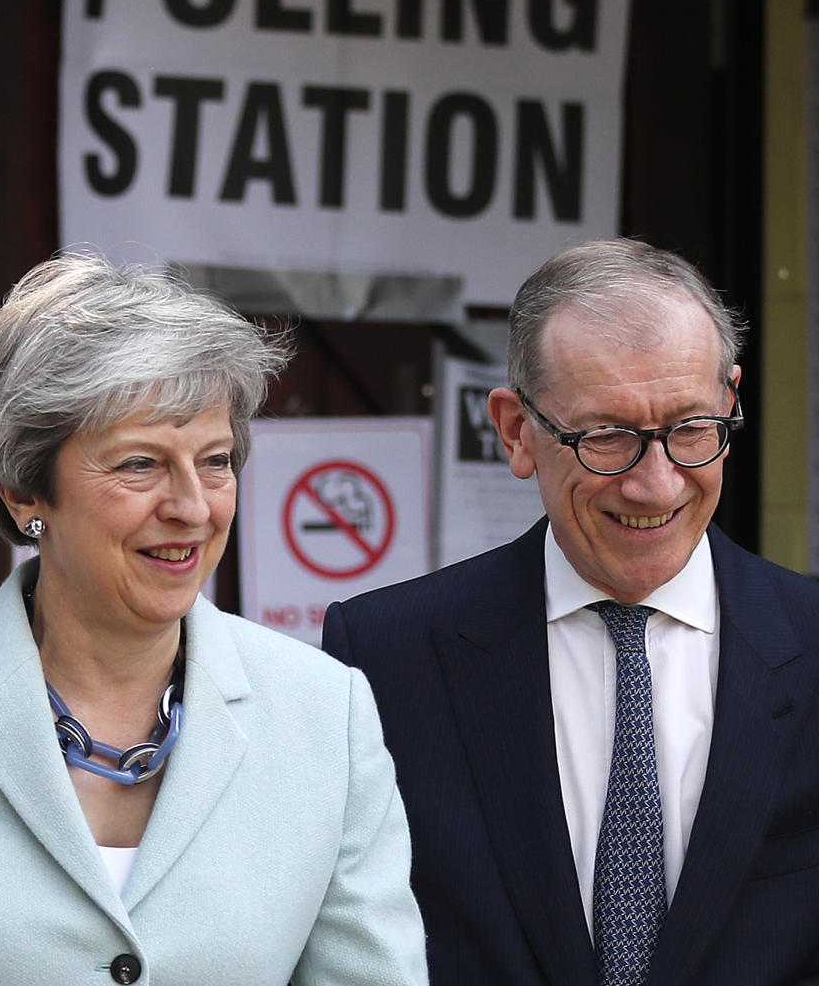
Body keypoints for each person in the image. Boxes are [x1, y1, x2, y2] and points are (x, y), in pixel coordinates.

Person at [0, 252, 429, 986]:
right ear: (25, 491)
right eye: (139, 464)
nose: (192, 506)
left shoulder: (326, 716)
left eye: (215, 460)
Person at [323, 237, 819, 986]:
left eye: (690, 428)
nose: (656, 485)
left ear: (730, 402)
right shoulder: (384, 658)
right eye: (608, 437)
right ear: (517, 431)